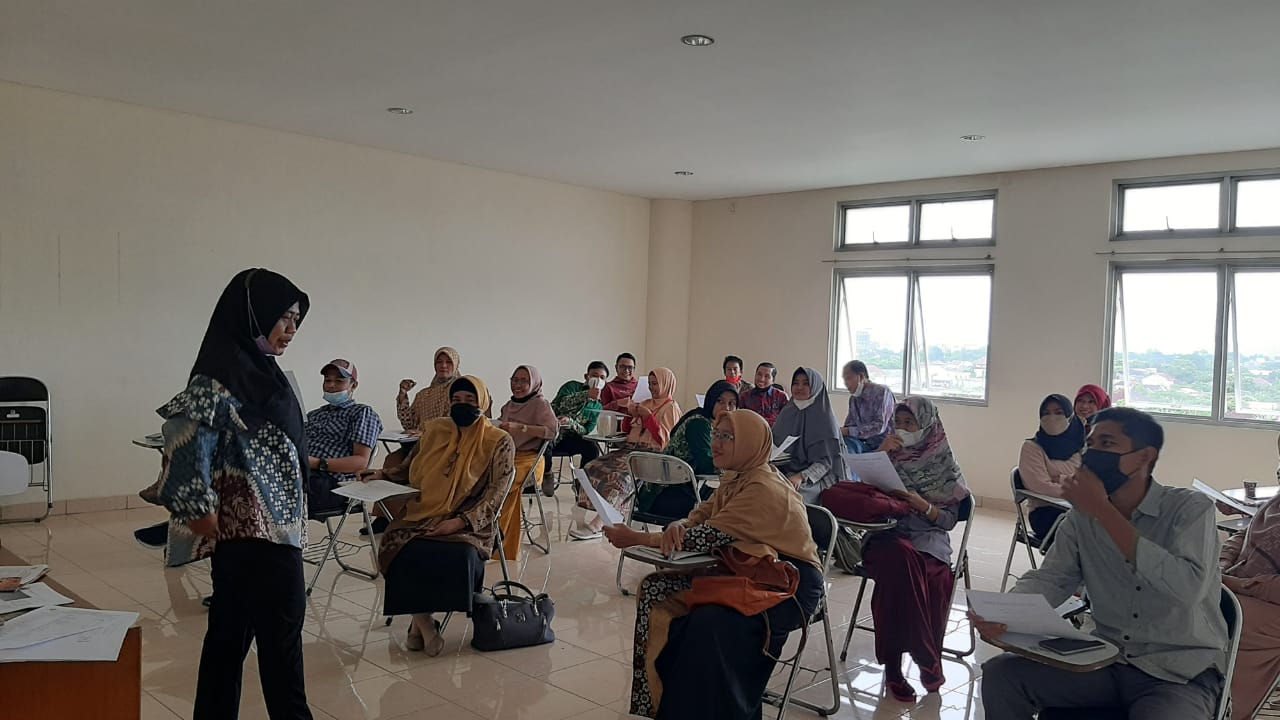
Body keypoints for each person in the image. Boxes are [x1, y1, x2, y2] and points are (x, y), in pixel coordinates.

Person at [978, 407, 1228, 720]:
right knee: (1002, 675)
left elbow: (1187, 589)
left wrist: (1103, 511)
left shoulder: (1189, 509)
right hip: (1107, 659)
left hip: (1180, 671)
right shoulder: (1080, 519)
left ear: (1144, 456)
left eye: (1107, 444)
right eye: (1090, 445)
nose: (1093, 454)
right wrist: (1004, 613)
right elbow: (1052, 578)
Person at [155, 268, 314, 719]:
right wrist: (201, 513)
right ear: (253, 313)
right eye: (283, 317)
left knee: (227, 642)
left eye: (297, 320)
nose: (291, 329)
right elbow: (183, 439)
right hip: (259, 539)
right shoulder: (219, 377)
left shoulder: (261, 371)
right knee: (282, 651)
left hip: (265, 535)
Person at [603, 409, 824, 719]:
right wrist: (679, 524)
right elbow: (700, 516)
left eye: (728, 437)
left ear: (749, 442)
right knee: (657, 590)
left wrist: (636, 538)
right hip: (746, 569)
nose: (716, 443)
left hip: (788, 584)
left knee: (708, 624)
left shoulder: (762, 487)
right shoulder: (738, 476)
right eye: (716, 434)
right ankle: (667, 706)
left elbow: (703, 537)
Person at [364, 376, 515, 657]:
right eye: (456, 400)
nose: (462, 405)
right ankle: (423, 622)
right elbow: (408, 467)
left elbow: (496, 493)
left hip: (471, 519)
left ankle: (417, 625)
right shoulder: (435, 430)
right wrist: (382, 474)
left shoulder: (498, 441)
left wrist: (459, 522)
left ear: (483, 403)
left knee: (459, 553)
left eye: (470, 400)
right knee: (398, 546)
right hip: (424, 511)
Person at [862, 397, 971, 702]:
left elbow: (948, 521)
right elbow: (860, 496)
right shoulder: (885, 456)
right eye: (898, 422)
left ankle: (896, 667)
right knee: (901, 560)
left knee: (931, 578)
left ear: (927, 426)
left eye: (909, 423)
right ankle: (924, 659)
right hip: (886, 534)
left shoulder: (944, 464)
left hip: (928, 536)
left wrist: (924, 507)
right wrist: (879, 455)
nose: (902, 429)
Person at [571, 368, 681, 540]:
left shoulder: (671, 408)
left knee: (619, 478)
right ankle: (608, 515)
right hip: (630, 449)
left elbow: (665, 440)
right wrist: (631, 414)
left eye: (655, 384)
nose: (651, 388)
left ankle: (599, 523)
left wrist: (648, 417)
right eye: (649, 384)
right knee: (591, 467)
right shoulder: (645, 403)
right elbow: (628, 430)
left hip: (651, 455)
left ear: (666, 384)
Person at [1219, 479, 1280, 719]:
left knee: (1209, 621)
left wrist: (1237, 584)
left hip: (1269, 603)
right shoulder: (1276, 502)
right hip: (1243, 587)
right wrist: (1222, 563)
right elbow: (1244, 534)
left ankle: (1223, 707)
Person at [634, 380, 737, 520]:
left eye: (732, 404)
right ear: (711, 401)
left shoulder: (715, 425)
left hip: (686, 489)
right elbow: (708, 464)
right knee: (730, 502)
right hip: (666, 495)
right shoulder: (699, 424)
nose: (726, 408)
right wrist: (736, 470)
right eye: (720, 401)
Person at [494, 365, 558, 562]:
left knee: (505, 483)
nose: (518, 385)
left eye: (524, 380)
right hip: (509, 457)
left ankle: (498, 539)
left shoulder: (540, 404)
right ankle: (497, 540)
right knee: (491, 480)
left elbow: (552, 431)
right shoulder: (508, 406)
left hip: (531, 460)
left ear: (534, 383)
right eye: (515, 380)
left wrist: (521, 427)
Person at [304, 359, 384, 515]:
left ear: (353, 385)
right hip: (303, 474)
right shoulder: (313, 415)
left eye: (339, 381)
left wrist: (317, 463)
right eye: (327, 380)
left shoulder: (361, 413)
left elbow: (360, 461)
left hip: (333, 483)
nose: (331, 385)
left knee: (277, 491)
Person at [1016, 394, 1085, 543]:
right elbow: (1040, 486)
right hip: (1045, 512)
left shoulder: (1080, 447)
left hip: (1078, 509)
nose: (1052, 418)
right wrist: (1077, 490)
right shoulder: (1032, 447)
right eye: (1046, 413)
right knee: (1088, 532)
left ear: (1070, 417)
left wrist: (1059, 479)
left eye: (1059, 412)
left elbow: (1090, 480)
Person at [771, 367, 845, 504]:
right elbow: (775, 445)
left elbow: (826, 463)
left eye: (806, 383)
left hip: (818, 476)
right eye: (796, 383)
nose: (799, 387)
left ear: (815, 387)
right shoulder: (788, 411)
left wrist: (801, 476)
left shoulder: (825, 418)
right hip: (787, 469)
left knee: (792, 496)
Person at [542, 361, 609, 495]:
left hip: (571, 438)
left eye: (602, 378)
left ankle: (582, 482)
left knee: (592, 448)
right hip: (553, 431)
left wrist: (572, 423)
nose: (598, 380)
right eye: (594, 375)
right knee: (544, 444)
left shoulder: (598, 405)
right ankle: (547, 474)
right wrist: (587, 394)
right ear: (586, 377)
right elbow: (561, 404)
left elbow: (587, 429)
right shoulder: (571, 386)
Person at [395, 346, 462, 432]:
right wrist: (402, 393)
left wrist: (426, 434)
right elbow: (409, 425)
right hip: (419, 440)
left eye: (449, 362)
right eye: (439, 362)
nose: (443, 365)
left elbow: (456, 425)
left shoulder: (459, 393)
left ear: (456, 365)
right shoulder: (423, 395)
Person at [840, 360, 896, 453]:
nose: (846, 383)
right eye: (844, 379)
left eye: (848, 378)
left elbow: (879, 426)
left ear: (861, 376)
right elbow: (849, 425)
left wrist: (848, 431)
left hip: (884, 445)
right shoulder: (854, 399)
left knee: (849, 449)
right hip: (864, 444)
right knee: (841, 446)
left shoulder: (881, 392)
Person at [739, 362, 790, 426]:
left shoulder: (782, 397)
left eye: (767, 376)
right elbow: (740, 419)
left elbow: (787, 419)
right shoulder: (744, 396)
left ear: (773, 380)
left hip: (774, 431)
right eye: (759, 374)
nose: (762, 379)